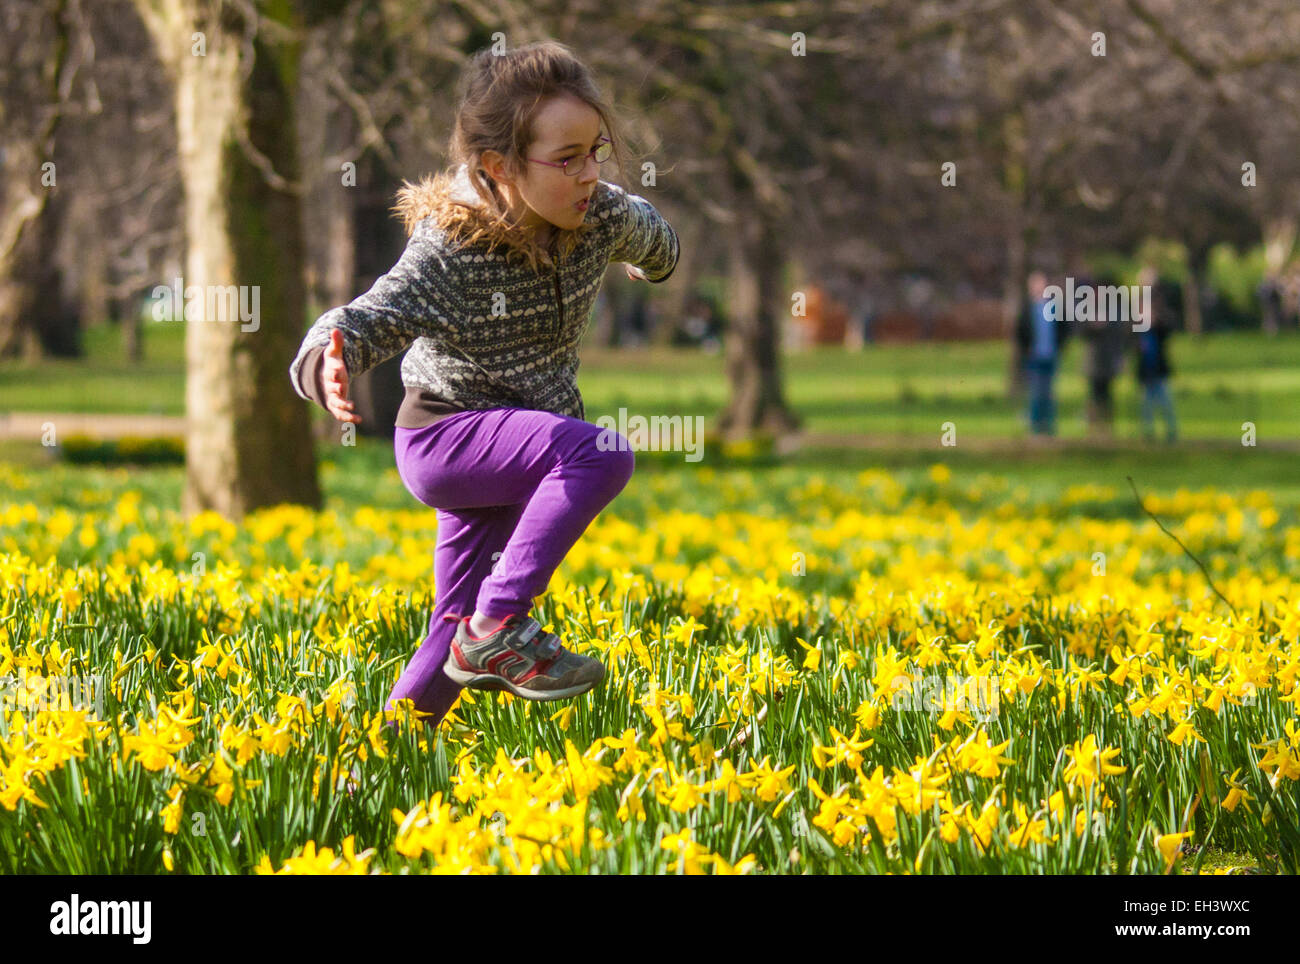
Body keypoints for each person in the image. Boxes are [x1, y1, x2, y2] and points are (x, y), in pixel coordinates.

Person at [288, 41, 679, 729]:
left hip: (520, 450)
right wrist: (328, 357)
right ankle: (501, 624)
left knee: (449, 633)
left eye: (597, 151)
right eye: (566, 159)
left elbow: (658, 241)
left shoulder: (601, 217)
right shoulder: (451, 250)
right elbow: (369, 315)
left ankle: (381, 759)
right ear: (498, 166)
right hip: (447, 438)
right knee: (600, 453)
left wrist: (651, 263)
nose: (589, 173)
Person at [1014, 271, 1070, 436]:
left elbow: (1065, 328)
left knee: (1049, 392)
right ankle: (1035, 427)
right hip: (1034, 357)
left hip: (1051, 356)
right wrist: (1026, 349)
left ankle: (1049, 426)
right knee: (1036, 392)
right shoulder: (1027, 309)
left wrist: (1060, 346)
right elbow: (1020, 332)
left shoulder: (1055, 307)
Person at [1135, 268, 1177, 443]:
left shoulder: (1160, 307)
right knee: (1147, 404)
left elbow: (1168, 328)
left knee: (1164, 400)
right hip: (1145, 366)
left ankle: (1171, 431)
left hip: (1158, 365)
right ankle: (1148, 432)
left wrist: (1156, 321)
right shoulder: (1137, 308)